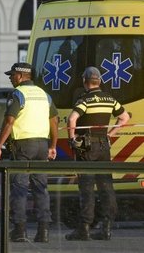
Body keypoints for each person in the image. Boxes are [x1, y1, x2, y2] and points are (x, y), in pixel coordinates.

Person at [0, 62, 58, 243]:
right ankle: (43, 231)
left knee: (19, 188)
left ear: (21, 76)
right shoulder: (44, 95)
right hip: (42, 146)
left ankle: (20, 230)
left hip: (23, 147)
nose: (10, 78)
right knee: (40, 188)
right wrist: (53, 145)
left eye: (12, 75)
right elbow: (54, 121)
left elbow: (9, 121)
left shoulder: (18, 94)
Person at [65, 66, 130, 241]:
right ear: (99, 81)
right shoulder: (110, 99)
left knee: (86, 187)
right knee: (106, 186)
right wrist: (110, 133)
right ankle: (106, 227)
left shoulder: (84, 99)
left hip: (86, 147)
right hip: (104, 147)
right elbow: (125, 118)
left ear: (85, 82)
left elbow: (72, 119)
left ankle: (84, 228)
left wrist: (72, 139)